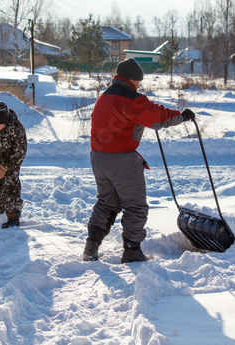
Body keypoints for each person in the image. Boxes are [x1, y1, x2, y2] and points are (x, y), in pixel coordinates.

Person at [83, 58, 196, 263]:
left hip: (98, 157)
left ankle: (91, 245)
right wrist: (181, 116)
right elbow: (157, 117)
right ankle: (132, 251)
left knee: (106, 202)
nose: (139, 85)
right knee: (135, 205)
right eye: (138, 81)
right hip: (121, 159)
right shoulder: (130, 98)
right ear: (131, 79)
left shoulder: (105, 96)